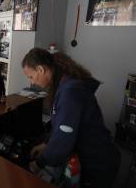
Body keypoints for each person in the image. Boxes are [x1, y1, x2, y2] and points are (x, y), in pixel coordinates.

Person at [21, 48, 120, 188]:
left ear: (40, 69)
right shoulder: (63, 83)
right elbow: (62, 124)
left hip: (97, 163)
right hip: (89, 157)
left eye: (31, 77)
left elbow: (63, 139)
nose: (31, 82)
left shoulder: (70, 92)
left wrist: (38, 163)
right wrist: (46, 144)